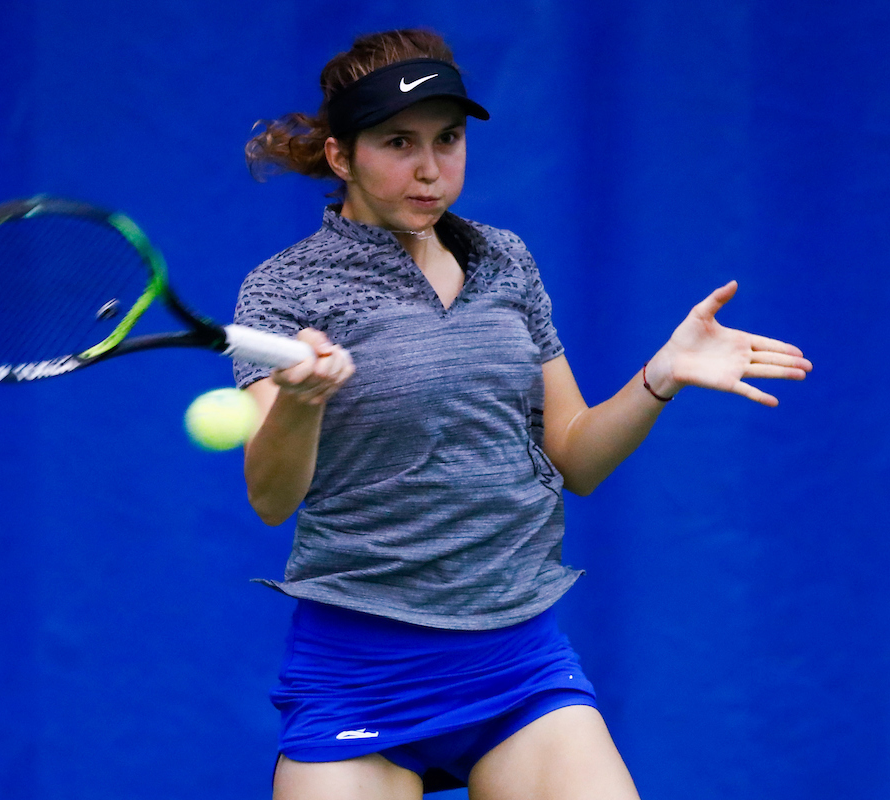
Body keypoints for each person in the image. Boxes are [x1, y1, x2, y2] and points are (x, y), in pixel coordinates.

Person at [233, 28, 811, 800]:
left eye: (449, 139)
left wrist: (660, 377)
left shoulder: (504, 259)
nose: (430, 169)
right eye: (398, 143)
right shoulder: (284, 290)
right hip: (360, 671)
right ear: (341, 156)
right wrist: (301, 407)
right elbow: (271, 499)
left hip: (517, 665)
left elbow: (575, 457)